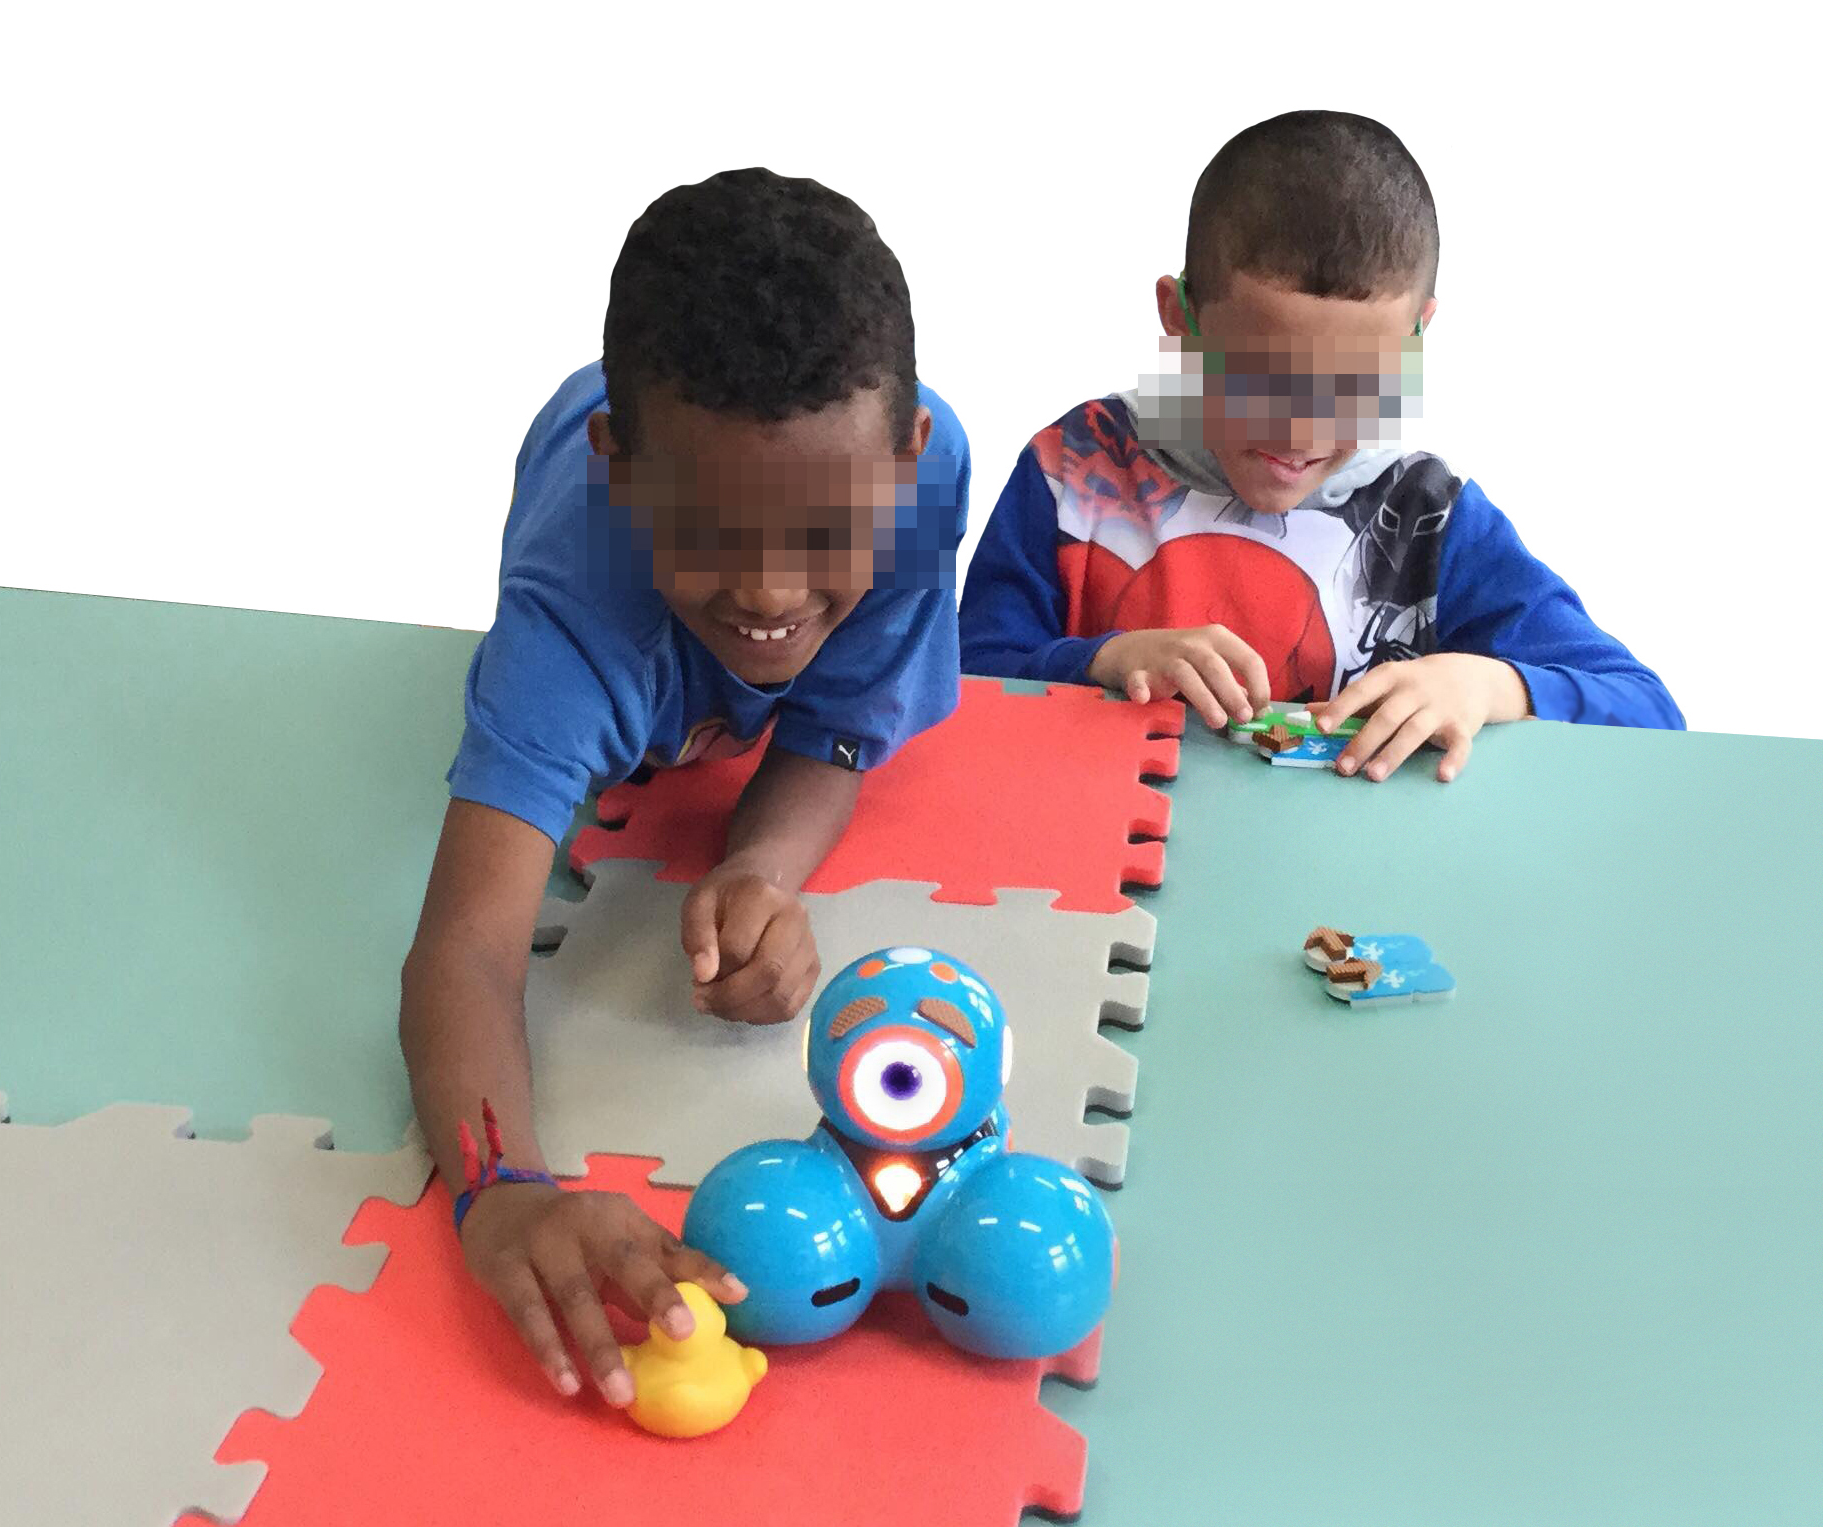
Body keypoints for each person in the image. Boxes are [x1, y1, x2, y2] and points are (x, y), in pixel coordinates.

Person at [399, 168, 971, 1407]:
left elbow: (833, 727)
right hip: (597, 571)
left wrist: (756, 869)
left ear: (909, 456)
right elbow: (466, 951)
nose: (769, 591)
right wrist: (503, 1195)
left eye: (824, 529)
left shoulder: (931, 482)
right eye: (710, 529)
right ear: (620, 468)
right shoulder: (564, 637)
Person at [960, 110, 1680, 782]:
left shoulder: (1428, 517)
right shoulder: (1073, 469)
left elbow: (1648, 713)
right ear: (1179, 317)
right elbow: (959, 681)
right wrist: (1105, 660)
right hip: (1101, 884)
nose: (1301, 431)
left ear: (1415, 339)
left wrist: (1491, 684)